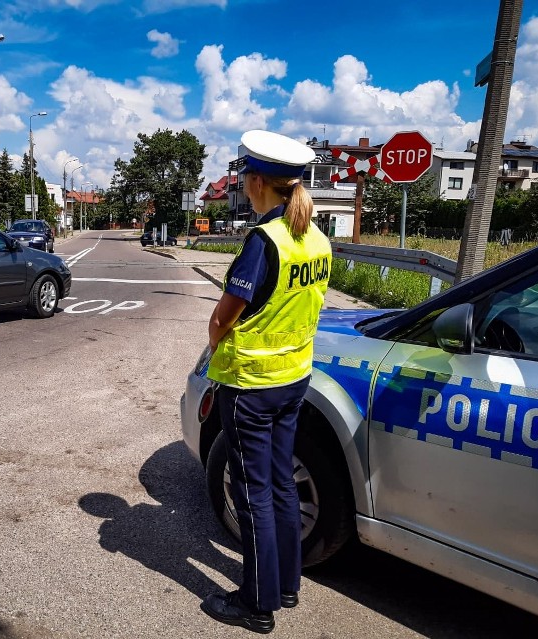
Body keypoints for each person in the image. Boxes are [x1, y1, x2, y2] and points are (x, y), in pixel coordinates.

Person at [200, 130, 332, 634]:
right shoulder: (316, 239)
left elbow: (224, 317)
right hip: (294, 378)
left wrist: (217, 349)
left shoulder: (264, 240)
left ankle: (257, 604)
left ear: (256, 181)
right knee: (280, 483)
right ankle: (286, 584)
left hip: (252, 386)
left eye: (243, 178)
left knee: (252, 490)